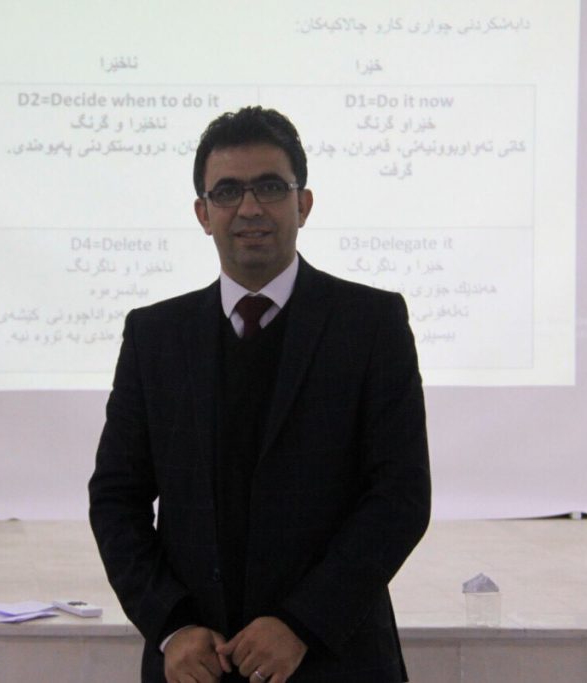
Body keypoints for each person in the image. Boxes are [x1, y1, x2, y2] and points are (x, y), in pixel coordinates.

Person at [89, 106, 430, 682]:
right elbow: (116, 499)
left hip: (334, 659)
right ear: (203, 213)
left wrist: (301, 624)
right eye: (227, 192)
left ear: (304, 204)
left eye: (270, 187)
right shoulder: (154, 336)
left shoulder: (371, 324)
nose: (249, 207)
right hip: (196, 663)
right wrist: (171, 626)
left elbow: (400, 497)